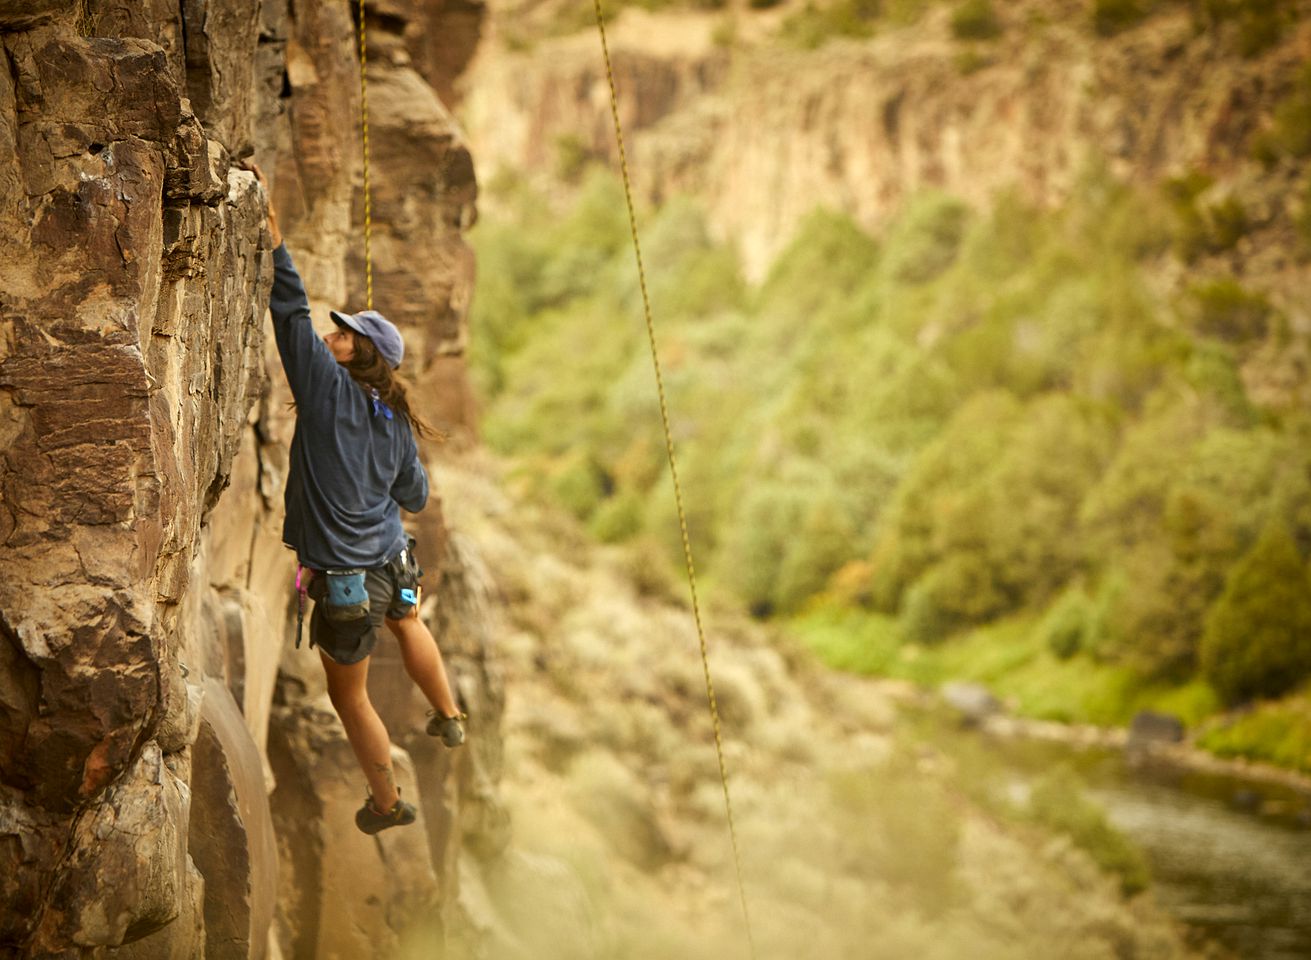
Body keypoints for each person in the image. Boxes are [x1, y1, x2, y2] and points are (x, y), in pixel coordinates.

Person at [252, 163, 466, 836]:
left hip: (347, 576)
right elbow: (415, 491)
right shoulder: (394, 417)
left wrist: (275, 242)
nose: (330, 334)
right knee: (409, 623)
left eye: (341, 332)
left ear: (358, 351)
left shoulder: (325, 389)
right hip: (390, 558)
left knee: (351, 700)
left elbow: (288, 312)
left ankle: (385, 804)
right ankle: (450, 715)